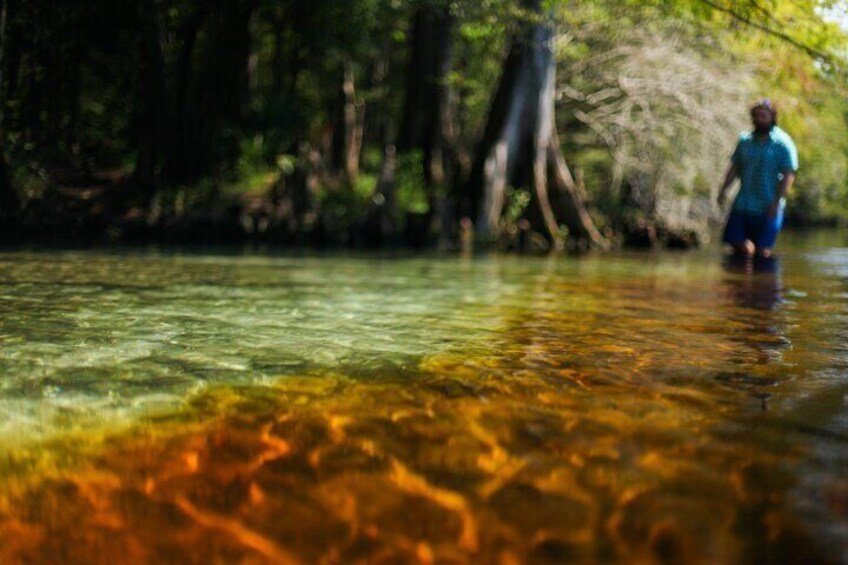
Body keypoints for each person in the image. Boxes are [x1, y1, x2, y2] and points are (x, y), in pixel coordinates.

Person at [717, 99, 798, 258]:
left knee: (763, 251)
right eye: (756, 116)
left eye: (763, 116)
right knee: (735, 243)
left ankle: (760, 279)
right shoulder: (745, 141)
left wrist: (776, 202)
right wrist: (723, 190)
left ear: (772, 117)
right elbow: (734, 168)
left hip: (768, 206)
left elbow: (789, 175)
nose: (759, 119)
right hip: (743, 204)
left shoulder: (783, 143)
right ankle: (743, 277)